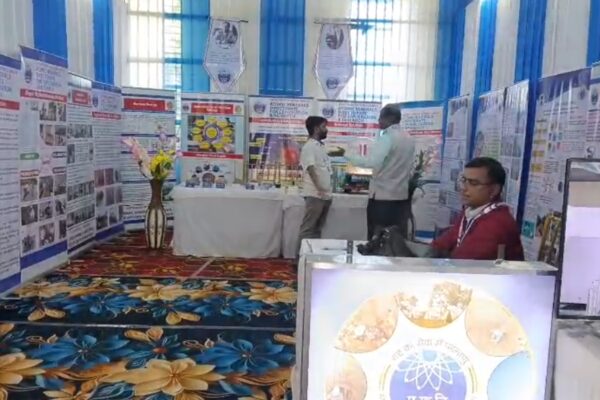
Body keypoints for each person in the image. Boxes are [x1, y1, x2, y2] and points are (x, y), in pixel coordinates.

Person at [431, 157, 524, 260]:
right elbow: (442, 244)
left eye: (473, 183)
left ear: (494, 190)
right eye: (464, 180)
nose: (463, 188)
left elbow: (464, 261)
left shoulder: (496, 223)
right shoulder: (471, 211)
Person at [346, 105, 415, 239]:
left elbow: (372, 162)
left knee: (377, 239)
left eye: (381, 118)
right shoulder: (409, 138)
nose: (378, 121)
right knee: (396, 239)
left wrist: (348, 156)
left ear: (390, 118)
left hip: (382, 199)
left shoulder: (387, 138)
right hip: (401, 198)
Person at [297, 116, 332, 254]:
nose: (326, 129)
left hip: (324, 194)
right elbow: (311, 169)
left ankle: (312, 257)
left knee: (317, 229)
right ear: (316, 129)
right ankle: (300, 259)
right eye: (324, 127)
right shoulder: (309, 146)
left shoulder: (320, 146)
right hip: (315, 194)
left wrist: (326, 191)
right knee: (308, 229)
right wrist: (320, 188)